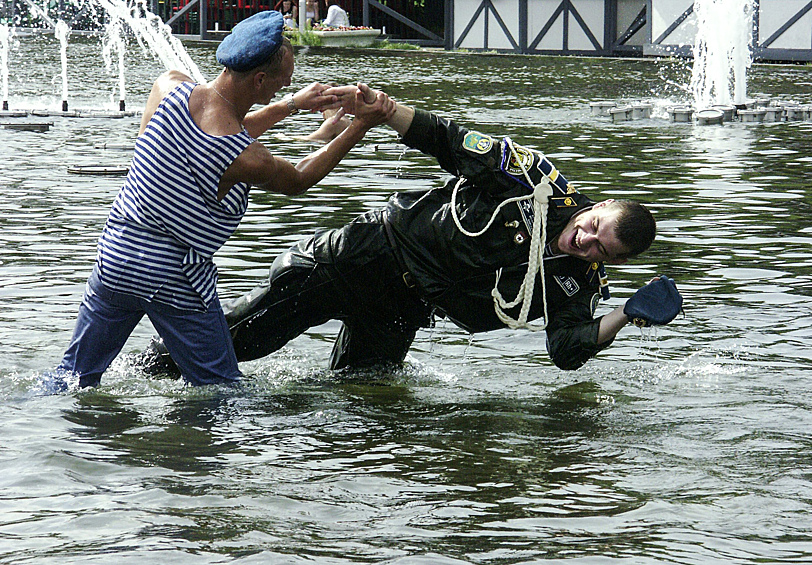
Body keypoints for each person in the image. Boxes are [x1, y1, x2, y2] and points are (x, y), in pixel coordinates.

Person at [141, 87, 683, 376]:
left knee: (366, 402)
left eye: (599, 251)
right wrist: (385, 109)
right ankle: (130, 382)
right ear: (598, 204)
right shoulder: (531, 179)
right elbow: (447, 139)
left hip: (404, 306)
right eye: (592, 228)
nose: (584, 241)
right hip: (363, 255)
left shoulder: (578, 280)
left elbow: (566, 350)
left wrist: (623, 316)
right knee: (239, 343)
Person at [49, 12, 396, 389]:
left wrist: (290, 105)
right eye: (280, 86)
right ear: (260, 80)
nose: (281, 91)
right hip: (173, 275)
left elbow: (216, 127)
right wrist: (361, 125)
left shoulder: (169, 87)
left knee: (73, 377)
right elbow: (299, 179)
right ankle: (190, 446)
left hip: (117, 255)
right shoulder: (248, 157)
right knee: (219, 390)